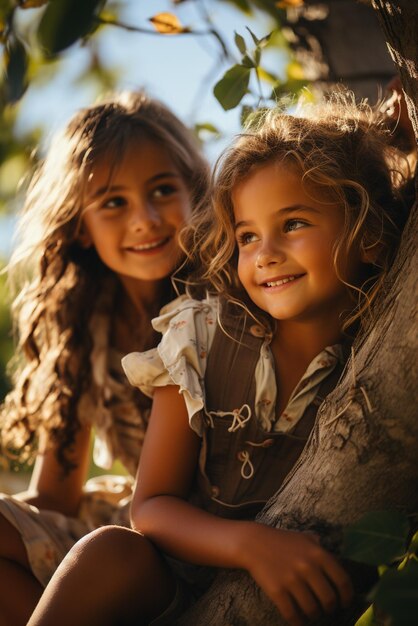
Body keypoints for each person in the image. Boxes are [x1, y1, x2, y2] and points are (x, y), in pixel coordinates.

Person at [27, 90, 413, 626]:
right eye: (247, 237)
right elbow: (112, 504)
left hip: (236, 571)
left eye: (293, 225)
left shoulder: (362, 338)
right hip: (168, 555)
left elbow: (352, 205)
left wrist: (390, 144)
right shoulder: (193, 332)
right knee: (103, 553)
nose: (265, 252)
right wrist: (253, 544)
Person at [0, 90, 209, 626]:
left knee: (109, 553)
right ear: (79, 226)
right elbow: (56, 499)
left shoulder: (222, 300)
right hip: (127, 531)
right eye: (113, 202)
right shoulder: (83, 329)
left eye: (163, 190)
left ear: (195, 193)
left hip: (189, 540)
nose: (145, 218)